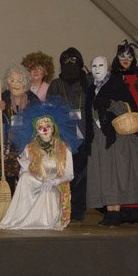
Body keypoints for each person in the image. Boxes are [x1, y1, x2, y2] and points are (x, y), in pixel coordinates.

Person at [0, 101, 80, 230]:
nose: (44, 130)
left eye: (48, 126)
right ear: (36, 130)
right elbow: (24, 173)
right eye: (40, 127)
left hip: (55, 187)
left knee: (47, 192)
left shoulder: (64, 147)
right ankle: (21, 218)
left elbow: (69, 174)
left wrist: (54, 181)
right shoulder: (29, 147)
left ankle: (40, 221)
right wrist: (27, 169)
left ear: (53, 128)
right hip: (36, 183)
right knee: (25, 178)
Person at [86, 56, 138, 226]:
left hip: (116, 137)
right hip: (98, 138)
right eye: (94, 66)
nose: (97, 69)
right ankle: (111, 211)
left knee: (115, 174)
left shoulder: (116, 85)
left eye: (101, 65)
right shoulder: (91, 89)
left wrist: (110, 103)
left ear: (107, 67)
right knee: (105, 176)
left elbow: (129, 108)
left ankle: (115, 212)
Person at [47, 48, 92, 223]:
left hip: (83, 133)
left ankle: (78, 212)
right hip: (62, 135)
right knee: (62, 173)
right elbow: (50, 109)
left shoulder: (87, 82)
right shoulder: (56, 85)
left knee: (81, 175)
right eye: (66, 61)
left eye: (73, 60)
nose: (70, 65)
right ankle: (61, 210)